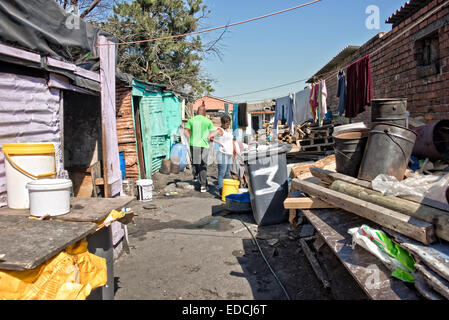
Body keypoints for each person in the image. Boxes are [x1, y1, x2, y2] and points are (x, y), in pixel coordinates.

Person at [184, 105, 214, 192]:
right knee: (203, 165)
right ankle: (203, 185)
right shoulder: (208, 121)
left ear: (197, 112)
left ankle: (196, 176)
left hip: (194, 144)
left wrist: (190, 138)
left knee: (196, 162)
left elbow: (185, 131)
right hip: (204, 145)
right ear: (204, 113)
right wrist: (211, 140)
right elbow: (211, 134)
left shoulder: (191, 120)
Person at [208, 114, 235, 194]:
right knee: (221, 173)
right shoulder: (220, 130)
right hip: (222, 154)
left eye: (229, 123)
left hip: (229, 154)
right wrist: (219, 142)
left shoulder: (227, 131)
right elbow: (210, 137)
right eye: (227, 124)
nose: (228, 125)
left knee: (227, 173)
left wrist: (233, 152)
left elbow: (231, 141)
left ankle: (226, 191)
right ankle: (220, 190)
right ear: (223, 123)